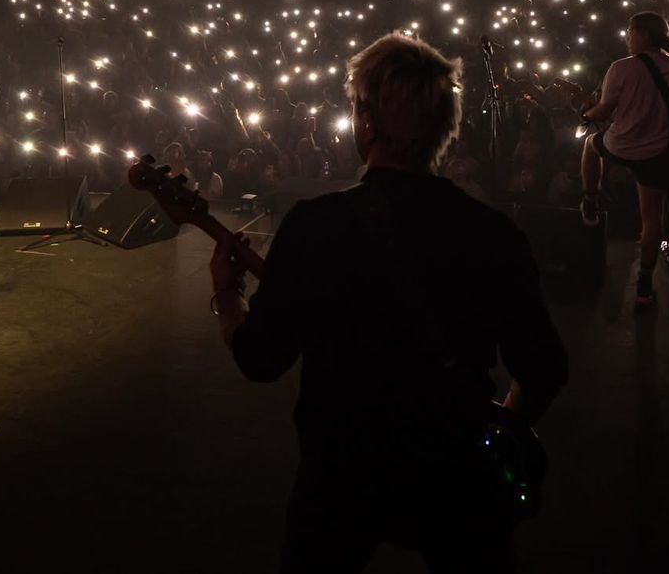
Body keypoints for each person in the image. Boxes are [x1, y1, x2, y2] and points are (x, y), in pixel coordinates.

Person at [208, 33, 567, 571]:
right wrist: (498, 427)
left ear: (368, 123)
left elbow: (260, 358)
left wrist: (227, 292)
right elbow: (543, 368)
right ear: (445, 130)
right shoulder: (493, 233)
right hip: (455, 469)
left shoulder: (316, 225)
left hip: (342, 472)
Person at [578, 12, 669, 308]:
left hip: (620, 145)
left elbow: (604, 111)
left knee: (589, 147)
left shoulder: (621, 68)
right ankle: (644, 287)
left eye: (630, 32)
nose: (627, 38)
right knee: (651, 220)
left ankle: (590, 200)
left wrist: (585, 114)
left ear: (645, 34)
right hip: (658, 155)